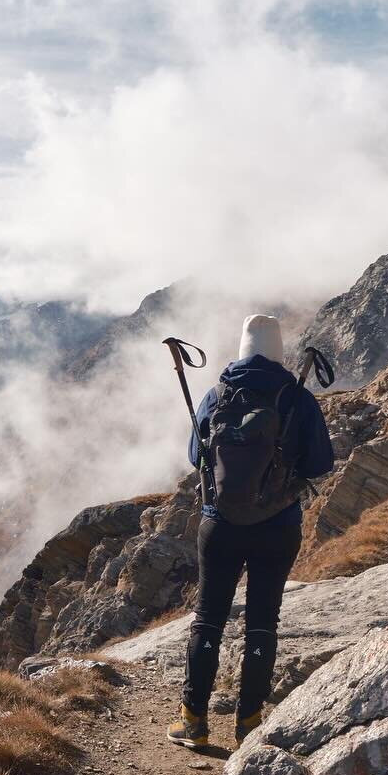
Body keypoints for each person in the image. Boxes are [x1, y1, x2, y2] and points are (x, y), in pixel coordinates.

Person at [166, 315, 335, 751]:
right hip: (278, 527)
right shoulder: (297, 398)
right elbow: (320, 464)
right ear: (281, 353)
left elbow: (195, 456)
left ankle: (194, 722)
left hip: (219, 524)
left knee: (208, 619)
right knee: (263, 621)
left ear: (241, 351)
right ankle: (248, 724)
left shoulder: (215, 395)